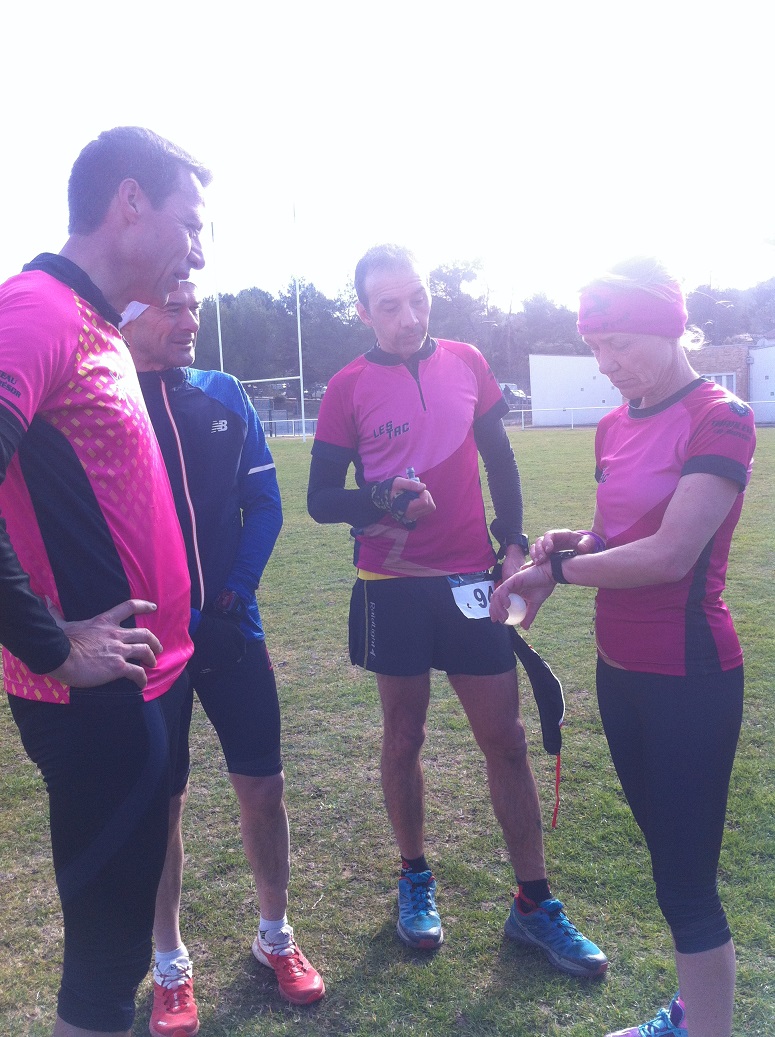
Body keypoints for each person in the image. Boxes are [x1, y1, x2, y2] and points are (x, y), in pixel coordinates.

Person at [306, 243, 607, 977]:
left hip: (472, 579)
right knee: (402, 734)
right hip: (391, 582)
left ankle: (534, 903)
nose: (407, 318)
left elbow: (499, 459)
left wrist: (510, 543)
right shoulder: (346, 386)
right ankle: (413, 877)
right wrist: (383, 497)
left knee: (503, 738)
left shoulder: (467, 361)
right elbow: (320, 499)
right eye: (388, 306)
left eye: (417, 300)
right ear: (362, 311)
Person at [490, 257, 756, 1037]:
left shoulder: (721, 415)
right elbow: (622, 535)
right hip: (621, 673)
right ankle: (689, 1013)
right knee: (666, 860)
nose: (606, 366)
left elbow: (671, 553)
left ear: (670, 326)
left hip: (688, 674)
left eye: (619, 344)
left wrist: (558, 570)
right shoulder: (613, 423)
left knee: (685, 881)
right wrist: (576, 543)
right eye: (595, 348)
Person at [0, 127, 211, 1036]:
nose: (197, 248)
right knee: (103, 963)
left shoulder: (102, 328)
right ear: (130, 203)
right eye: (188, 221)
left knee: (121, 951)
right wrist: (52, 642)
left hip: (144, 684)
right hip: (89, 696)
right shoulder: (36, 309)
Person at [121, 284, 325, 1033]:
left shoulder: (224, 393)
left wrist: (233, 596)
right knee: (161, 801)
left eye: (193, 306)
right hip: (151, 645)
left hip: (233, 630)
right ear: (127, 315)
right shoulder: (104, 400)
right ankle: (169, 959)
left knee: (262, 786)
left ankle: (274, 933)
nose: (189, 320)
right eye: (169, 307)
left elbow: (264, 505)